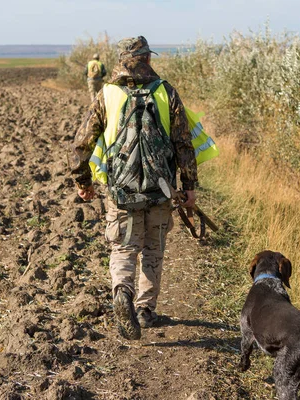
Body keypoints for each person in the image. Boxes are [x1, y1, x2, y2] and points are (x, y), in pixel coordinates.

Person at [68, 36, 198, 340]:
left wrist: (83, 182)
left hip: (122, 192)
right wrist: (189, 186)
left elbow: (80, 145)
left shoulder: (107, 94)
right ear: (147, 60)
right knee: (154, 249)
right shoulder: (166, 92)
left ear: (120, 61)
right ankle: (145, 310)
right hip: (161, 190)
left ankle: (122, 294)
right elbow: (183, 144)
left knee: (124, 248)